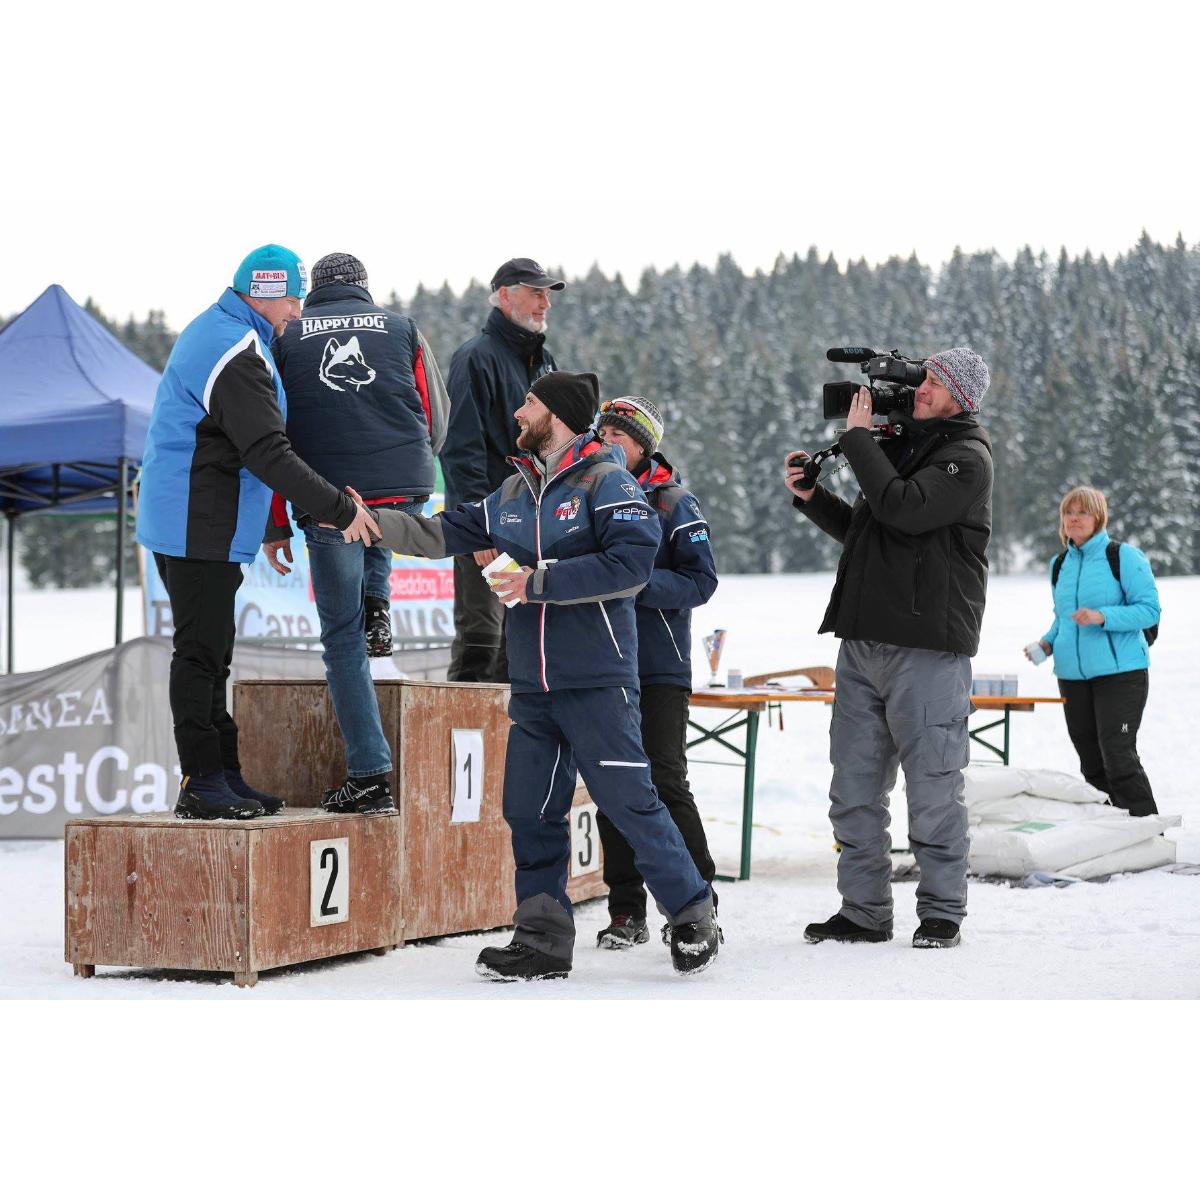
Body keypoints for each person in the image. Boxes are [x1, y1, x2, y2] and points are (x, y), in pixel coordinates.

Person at [356, 370, 720, 980]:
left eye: (529, 403)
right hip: (533, 686)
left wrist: (540, 581)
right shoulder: (513, 493)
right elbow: (441, 531)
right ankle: (543, 941)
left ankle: (691, 913)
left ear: (558, 414)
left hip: (598, 682)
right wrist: (366, 518)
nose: (519, 412)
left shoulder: (609, 482)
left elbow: (632, 565)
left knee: (631, 803)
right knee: (528, 810)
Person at [136, 245, 380, 821]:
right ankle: (201, 782)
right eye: (294, 297)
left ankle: (225, 774)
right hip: (196, 518)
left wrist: (274, 523)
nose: (298, 311)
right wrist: (339, 508)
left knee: (214, 652)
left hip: (198, 515)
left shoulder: (229, 331)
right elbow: (268, 449)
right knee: (200, 654)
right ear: (265, 292)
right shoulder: (236, 349)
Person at [784, 347, 994, 950]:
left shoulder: (965, 458)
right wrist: (812, 499)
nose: (921, 388)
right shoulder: (902, 447)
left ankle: (941, 913)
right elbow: (870, 530)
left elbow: (903, 510)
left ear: (961, 395)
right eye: (922, 378)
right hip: (863, 643)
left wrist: (856, 443)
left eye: (933, 381)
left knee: (932, 787)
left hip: (927, 647)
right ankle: (865, 911)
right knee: (852, 789)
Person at [266, 252, 450, 816]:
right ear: (363, 289)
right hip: (402, 483)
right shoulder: (402, 328)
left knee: (341, 643)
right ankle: (379, 604)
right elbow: (437, 418)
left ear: (314, 290)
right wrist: (411, 464)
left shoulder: (287, 338)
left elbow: (270, 435)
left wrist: (276, 522)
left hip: (326, 497)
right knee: (379, 520)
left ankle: (370, 774)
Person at [591, 396, 720, 948]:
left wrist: (636, 582)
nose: (609, 441)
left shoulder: (673, 501)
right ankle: (626, 910)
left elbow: (702, 581)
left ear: (645, 446)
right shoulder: (588, 493)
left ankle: (698, 899)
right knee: (612, 788)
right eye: (604, 432)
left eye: (621, 434)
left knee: (666, 783)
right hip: (601, 664)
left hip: (660, 667)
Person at [440, 258, 563, 683]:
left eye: (548, 294)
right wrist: (478, 526)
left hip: (534, 527)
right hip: (489, 531)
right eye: (537, 292)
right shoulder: (475, 358)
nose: (545, 302)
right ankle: (462, 744)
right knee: (481, 643)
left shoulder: (543, 361)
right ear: (506, 295)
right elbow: (460, 449)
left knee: (524, 647)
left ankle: (513, 748)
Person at [1025, 486, 1160, 816]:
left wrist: (1103, 616)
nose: (1074, 519)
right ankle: (1111, 832)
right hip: (1072, 676)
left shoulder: (1123, 557)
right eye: (1069, 513)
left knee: (1118, 754)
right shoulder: (1059, 565)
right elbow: (1062, 619)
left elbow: (1150, 610)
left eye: (1082, 512)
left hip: (1121, 675)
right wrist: (1046, 644)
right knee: (1091, 761)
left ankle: (1148, 832)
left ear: (1098, 517)